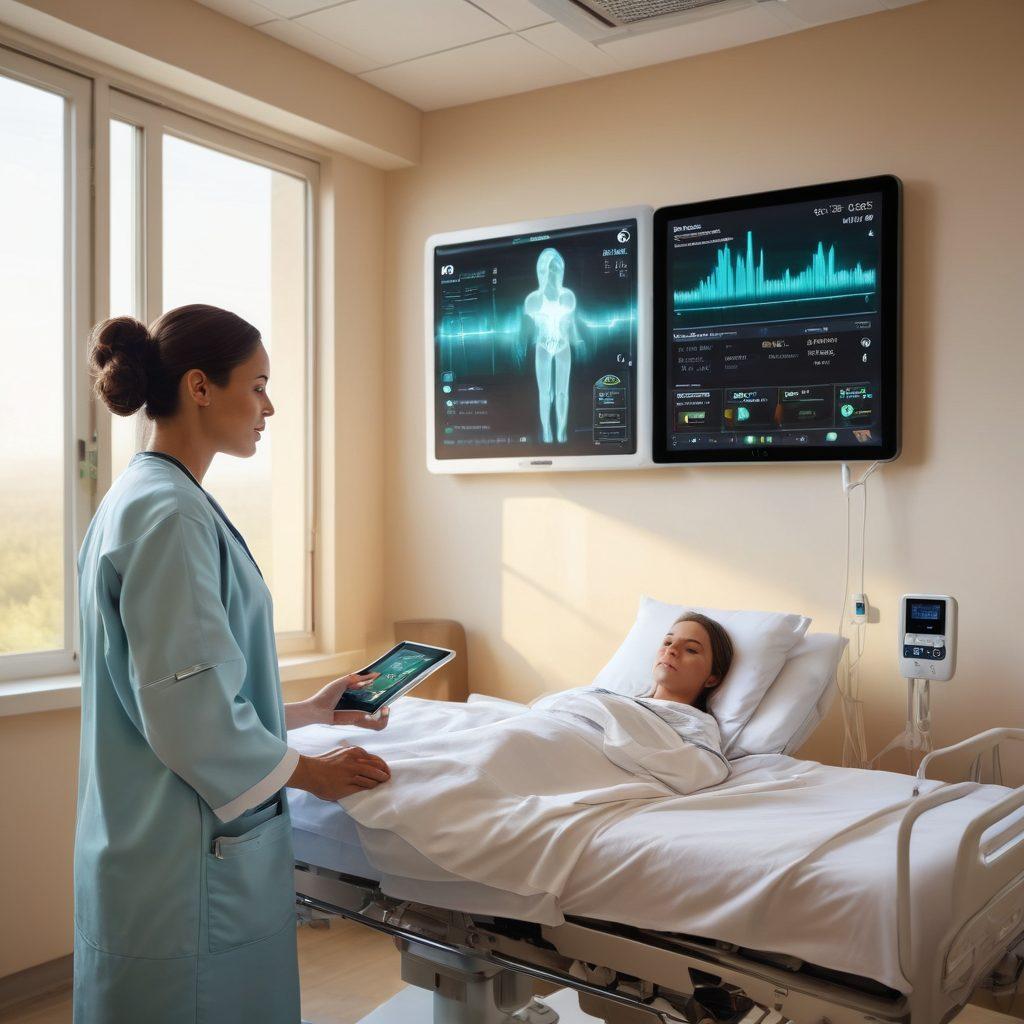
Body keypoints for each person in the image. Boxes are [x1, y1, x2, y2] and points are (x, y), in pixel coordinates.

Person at [74, 304, 391, 1024]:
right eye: (258, 386)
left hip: (140, 839)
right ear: (200, 387)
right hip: (184, 862)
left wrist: (309, 711)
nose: (268, 407)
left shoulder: (143, 498)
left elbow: (168, 685)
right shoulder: (171, 515)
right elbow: (191, 718)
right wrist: (316, 774)